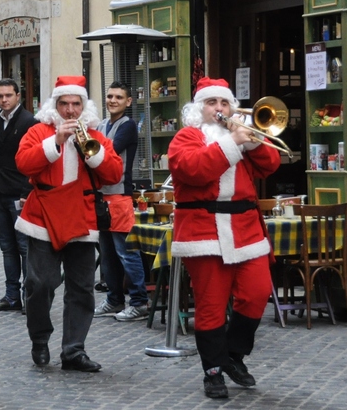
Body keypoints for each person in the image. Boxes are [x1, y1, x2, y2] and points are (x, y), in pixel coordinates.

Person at [168, 77, 280, 399]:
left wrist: (254, 141)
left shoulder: (241, 138)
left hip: (245, 229)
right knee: (211, 304)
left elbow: (270, 166)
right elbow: (193, 170)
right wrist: (232, 142)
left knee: (258, 293)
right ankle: (213, 371)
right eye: (211, 103)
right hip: (204, 228)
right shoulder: (186, 137)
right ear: (198, 108)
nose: (219, 109)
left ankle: (233, 354)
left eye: (224, 103)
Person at [14, 76, 123, 372]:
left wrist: (93, 152)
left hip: (82, 215)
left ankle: (74, 350)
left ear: (84, 106)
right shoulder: (38, 131)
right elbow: (23, 163)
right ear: (55, 105)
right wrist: (56, 141)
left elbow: (114, 173)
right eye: (65, 104)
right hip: (44, 216)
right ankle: (39, 338)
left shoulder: (96, 136)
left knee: (82, 288)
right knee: (40, 283)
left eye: (76, 104)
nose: (71, 111)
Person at [93, 82, 149, 321]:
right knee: (107, 254)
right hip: (101, 196)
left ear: (128, 102)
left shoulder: (128, 127)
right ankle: (114, 300)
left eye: (118, 97)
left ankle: (139, 302)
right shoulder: (101, 125)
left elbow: (105, 152)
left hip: (119, 196)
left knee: (126, 252)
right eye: (109, 96)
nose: (112, 100)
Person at [0, 79, 37, 313]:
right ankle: (12, 296)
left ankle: (30, 297)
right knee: (7, 247)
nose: (4, 99)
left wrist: (28, 192)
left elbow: (35, 161)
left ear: (18, 96)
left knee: (24, 247)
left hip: (20, 193)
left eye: (8, 95)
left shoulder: (29, 122)